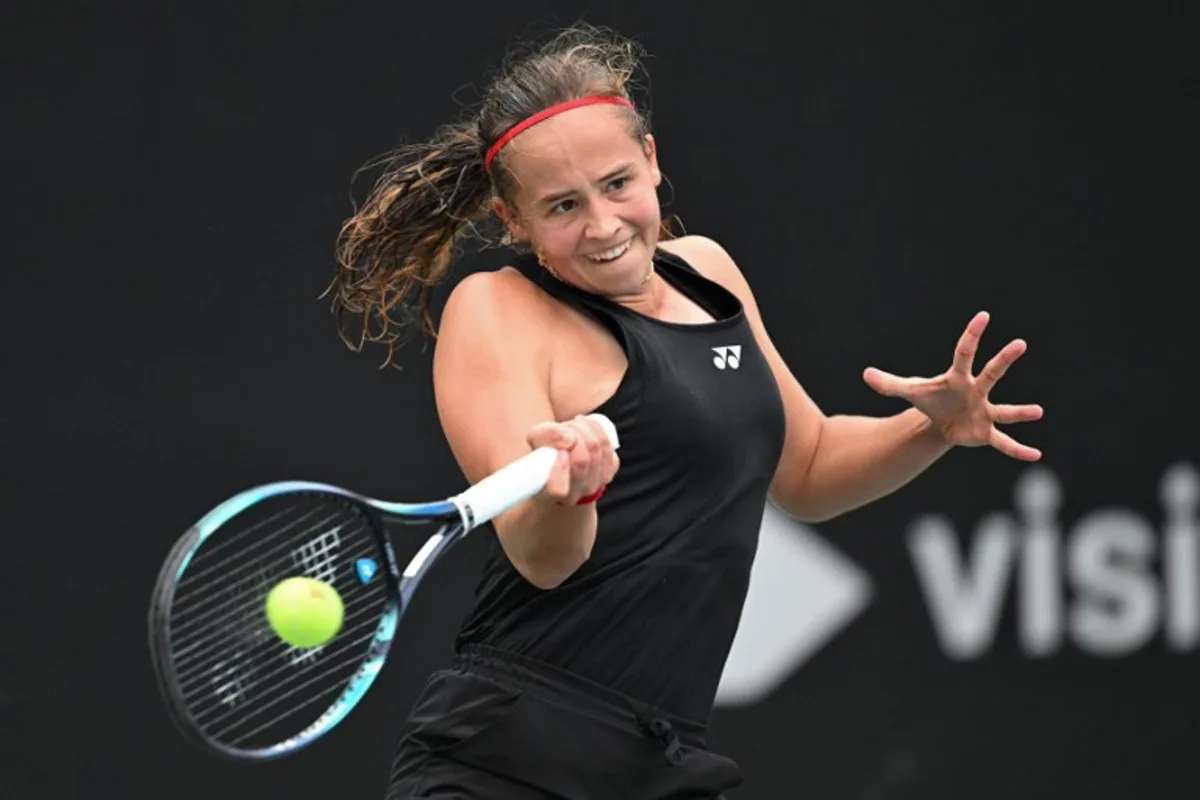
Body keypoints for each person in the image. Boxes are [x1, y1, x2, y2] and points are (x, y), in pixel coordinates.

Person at [328, 23, 1044, 800]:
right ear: (512, 219)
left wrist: (930, 427)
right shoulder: (495, 309)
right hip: (506, 756)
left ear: (653, 162)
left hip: (660, 761)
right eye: (562, 205)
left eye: (617, 184)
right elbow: (542, 554)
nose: (602, 225)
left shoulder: (710, 272)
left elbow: (807, 472)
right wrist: (577, 491)